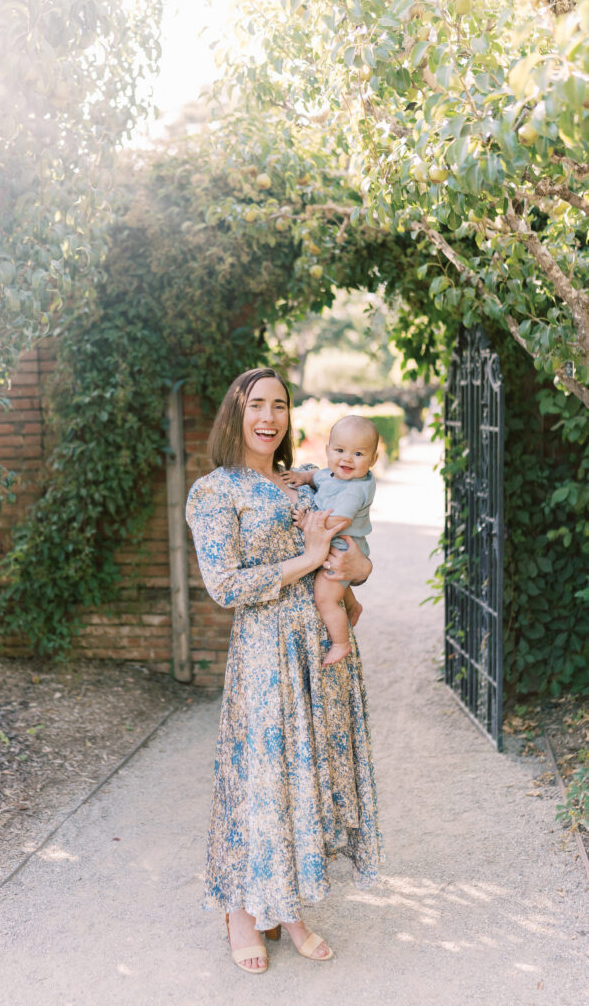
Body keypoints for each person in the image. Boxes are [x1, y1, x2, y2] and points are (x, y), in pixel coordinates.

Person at [185, 367, 382, 975]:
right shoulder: (215, 491)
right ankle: (242, 911)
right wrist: (311, 559)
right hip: (266, 652)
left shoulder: (306, 487)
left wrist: (354, 570)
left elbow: (358, 561)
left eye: (279, 406)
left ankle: (287, 907)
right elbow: (224, 586)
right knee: (262, 776)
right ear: (235, 414)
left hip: (317, 651)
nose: (269, 418)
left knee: (305, 775)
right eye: (256, 405)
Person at [282, 415, 378, 666]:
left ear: (373, 460)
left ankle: (340, 643)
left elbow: (338, 522)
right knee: (335, 586)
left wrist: (308, 524)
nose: (347, 458)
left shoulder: (354, 489)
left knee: (324, 595)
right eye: (339, 450)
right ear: (328, 451)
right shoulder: (332, 474)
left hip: (340, 547)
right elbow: (318, 476)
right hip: (334, 544)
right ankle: (352, 605)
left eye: (358, 454)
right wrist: (303, 478)